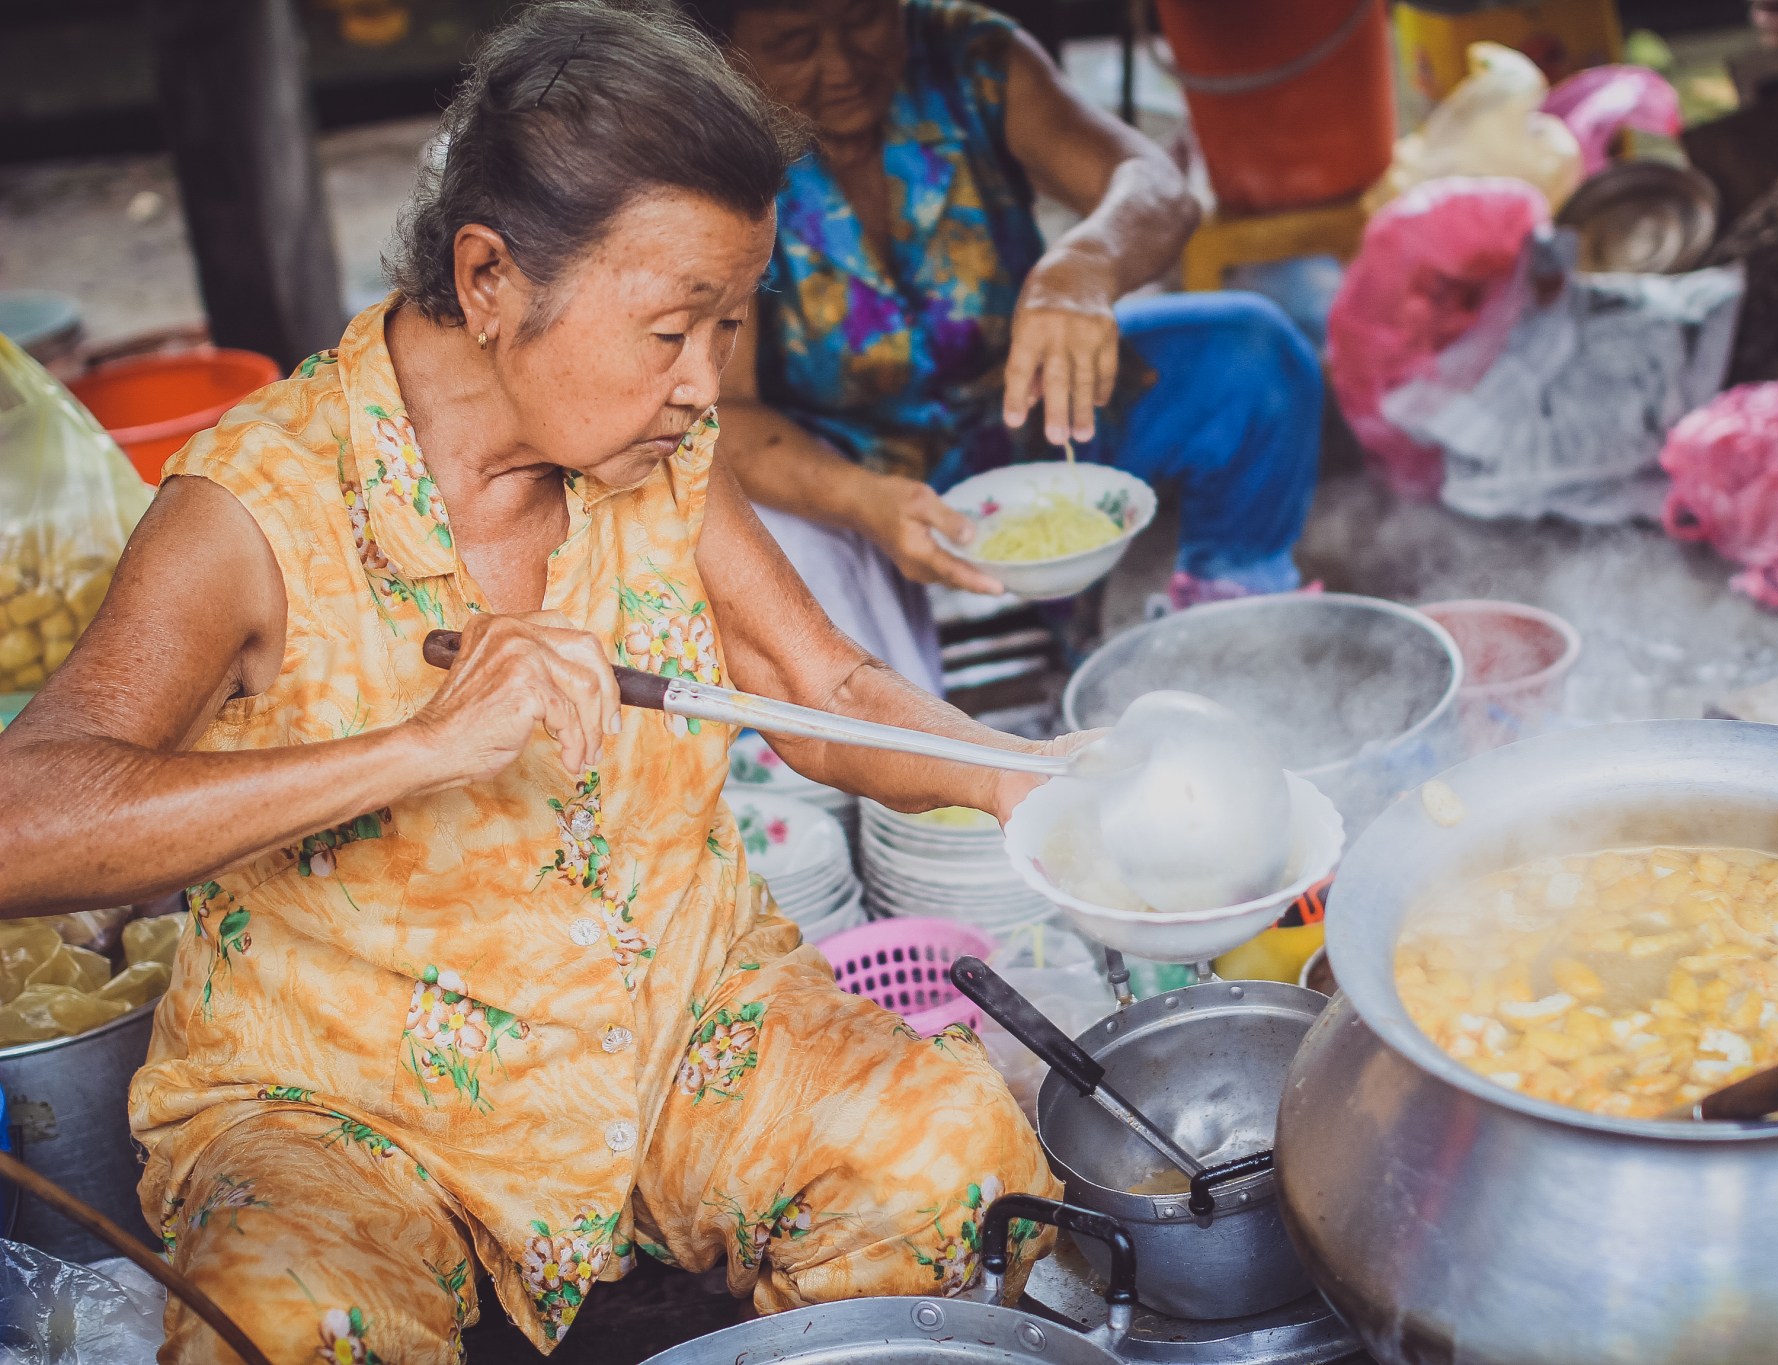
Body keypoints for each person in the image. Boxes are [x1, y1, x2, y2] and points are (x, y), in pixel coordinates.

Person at [0, 5, 1073, 1359]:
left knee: (960, 1161)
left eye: (730, 327)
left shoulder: (661, 455)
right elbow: (21, 818)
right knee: (287, 1327)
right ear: (493, 277)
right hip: (355, 1105)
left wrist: (1037, 781)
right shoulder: (256, 507)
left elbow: (832, 689)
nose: (706, 386)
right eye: (672, 328)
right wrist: (419, 750)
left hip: (688, 1021)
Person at [702, 0, 1325, 692]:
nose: (844, 65)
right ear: (730, 49)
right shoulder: (714, 153)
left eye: (865, 21)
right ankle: (892, 712)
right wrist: (863, 502)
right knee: (749, 546)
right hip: (843, 477)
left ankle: (1234, 628)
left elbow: (1156, 186)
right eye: (795, 42)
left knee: (1251, 356)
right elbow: (724, 413)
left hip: (1040, 416)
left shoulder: (971, 58)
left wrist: (1087, 263)